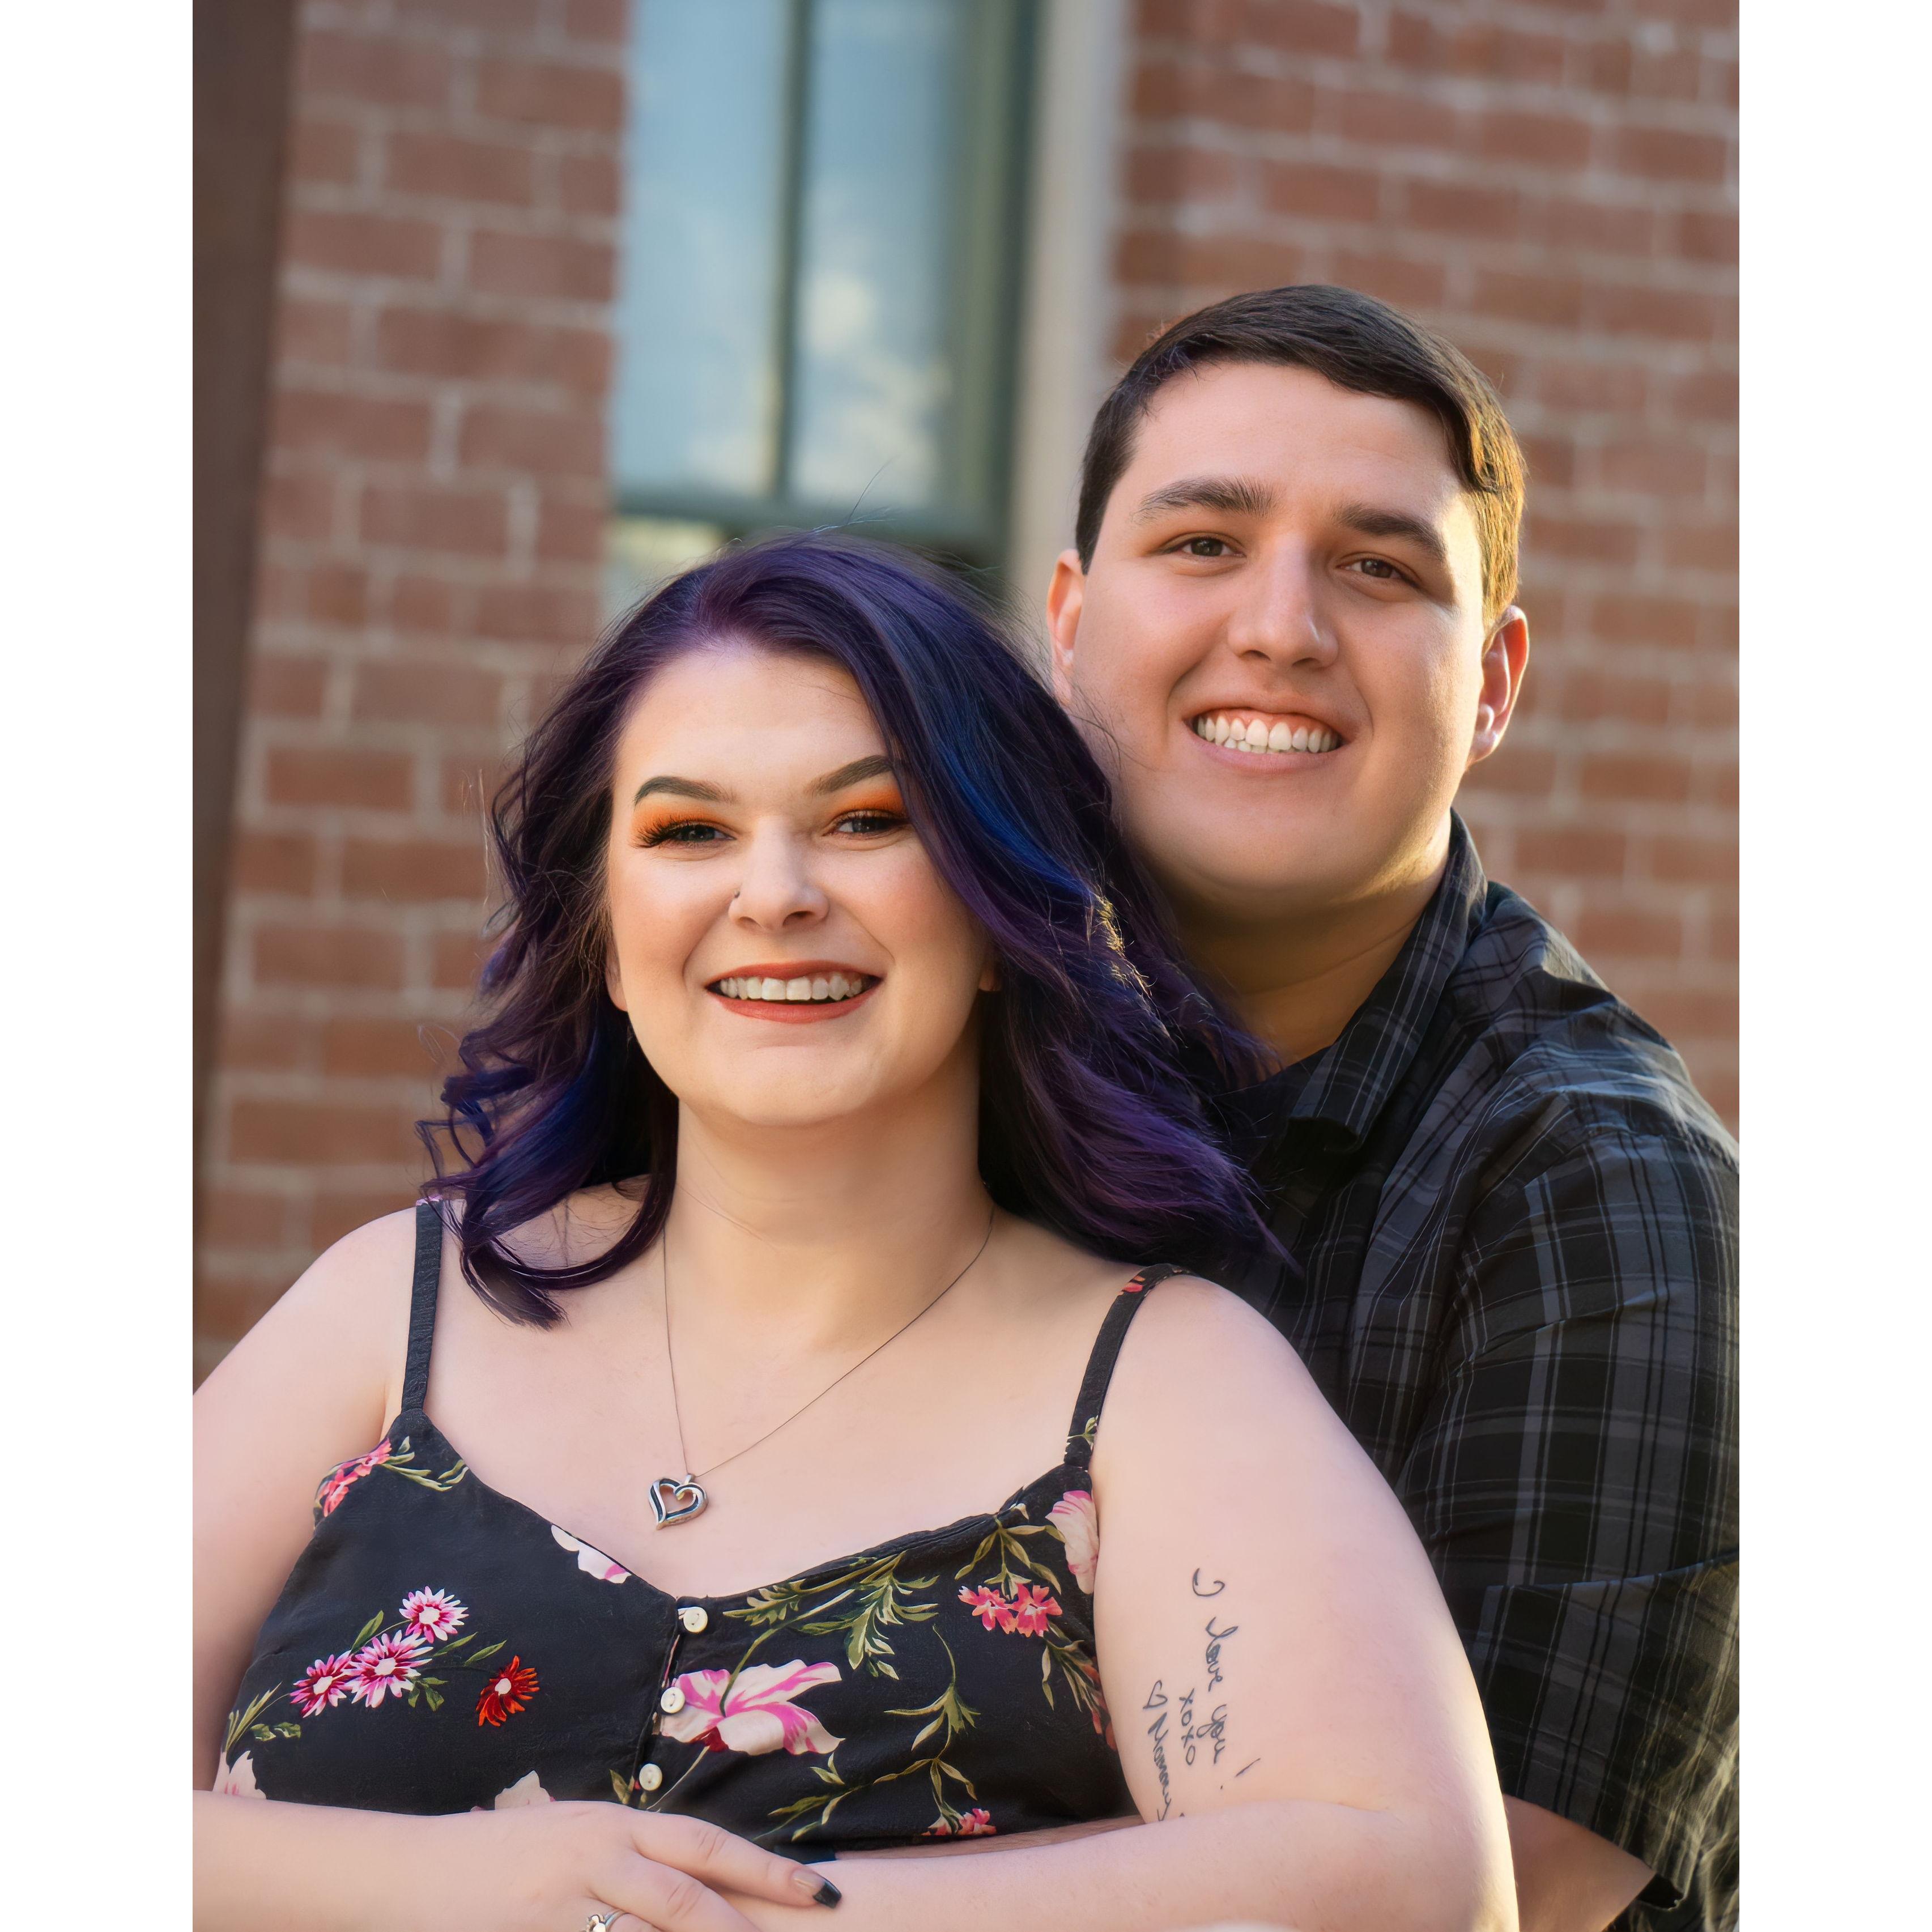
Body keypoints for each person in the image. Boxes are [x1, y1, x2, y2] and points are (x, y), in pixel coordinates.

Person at [194, 536, 1520, 1932]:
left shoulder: (1164, 1383)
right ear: (605, 933)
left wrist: (727, 1917)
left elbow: (1417, 1888)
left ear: (1002, 904)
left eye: (866, 819)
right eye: (688, 833)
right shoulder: (399, 1304)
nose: (773, 893)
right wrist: (485, 1888)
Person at [1042, 285, 1737, 1932]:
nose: (1281, 626)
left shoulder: (1609, 1192)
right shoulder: (974, 1072)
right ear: (1068, 622)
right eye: (1203, 543)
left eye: (1376, 568)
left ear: (1491, 680)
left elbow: (1499, 1893)